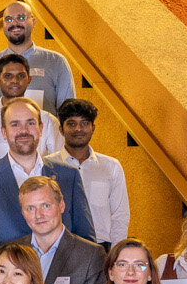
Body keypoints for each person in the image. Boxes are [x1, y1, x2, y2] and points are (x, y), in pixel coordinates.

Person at [0, 97, 95, 284]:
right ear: (4, 133)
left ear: (41, 128)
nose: (23, 131)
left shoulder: (68, 176)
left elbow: (85, 238)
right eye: (15, 124)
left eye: (30, 123)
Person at [47, 99, 129, 248]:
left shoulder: (111, 167)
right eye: (71, 123)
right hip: (57, 245)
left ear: (93, 128)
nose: (78, 129)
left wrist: (116, 254)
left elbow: (120, 216)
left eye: (84, 123)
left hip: (100, 246)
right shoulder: (47, 166)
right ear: (61, 129)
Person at [0, 0, 75, 114]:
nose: (14, 23)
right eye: (8, 19)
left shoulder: (56, 62)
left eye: (21, 18)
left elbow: (69, 113)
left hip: (44, 131)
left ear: (34, 21)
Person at [0, 54, 62, 161]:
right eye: (8, 76)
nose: (15, 80)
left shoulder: (48, 120)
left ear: (29, 80)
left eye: (20, 75)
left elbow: (59, 162)